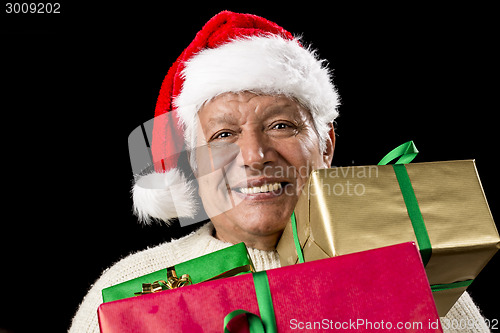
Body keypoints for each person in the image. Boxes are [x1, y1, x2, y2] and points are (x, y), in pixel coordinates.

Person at [69, 11, 491, 332]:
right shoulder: (125, 288)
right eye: (223, 135)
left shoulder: (410, 273)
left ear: (326, 146)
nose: (254, 155)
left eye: (281, 126)